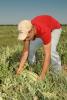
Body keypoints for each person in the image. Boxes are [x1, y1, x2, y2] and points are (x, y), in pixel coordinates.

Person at [16, 15, 62, 80]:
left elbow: (47, 55)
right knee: (30, 48)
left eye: (27, 37)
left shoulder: (44, 31)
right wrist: (20, 67)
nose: (26, 39)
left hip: (54, 28)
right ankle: (33, 67)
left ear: (31, 30)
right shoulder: (28, 30)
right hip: (39, 31)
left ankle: (57, 73)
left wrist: (43, 75)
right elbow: (25, 52)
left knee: (51, 51)